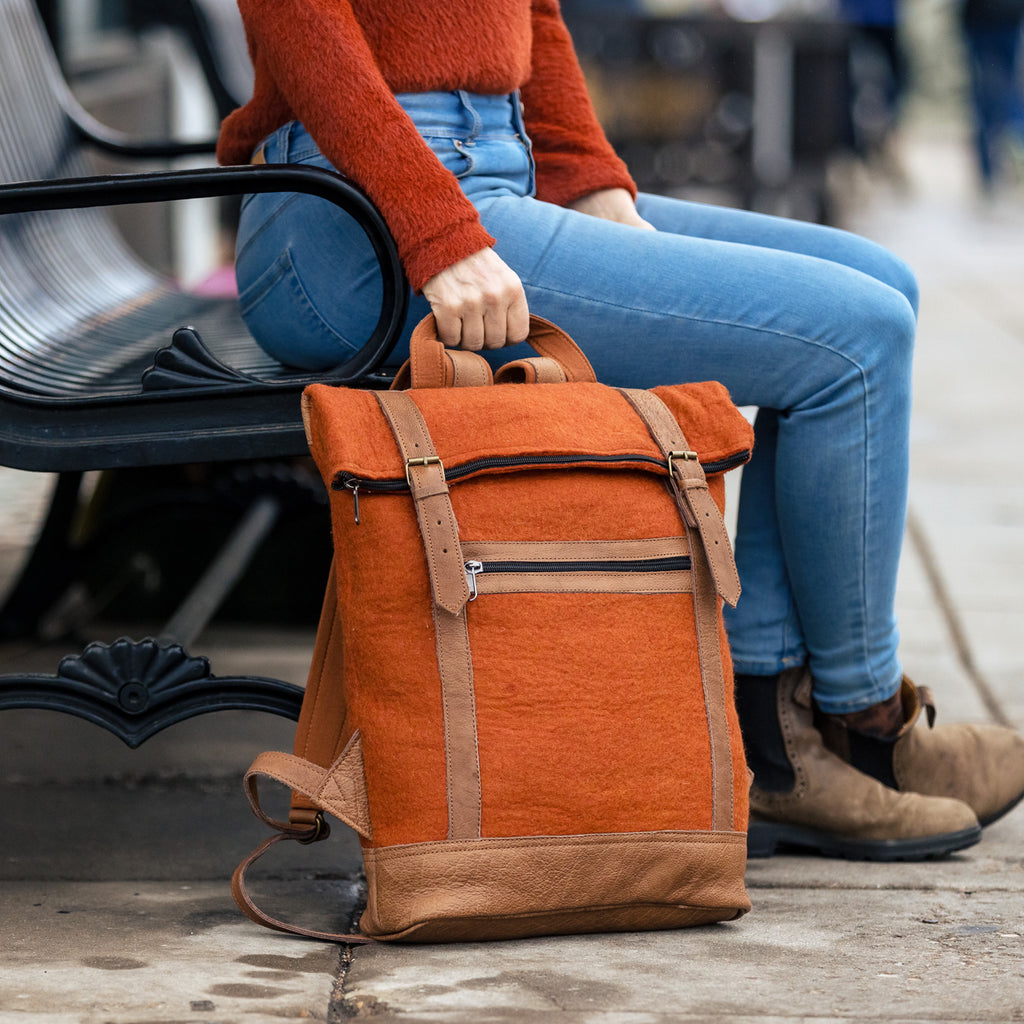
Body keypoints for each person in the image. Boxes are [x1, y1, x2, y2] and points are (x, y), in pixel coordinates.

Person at [218, 0, 1024, 859]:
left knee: (881, 280)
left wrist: (589, 177)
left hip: (497, 168)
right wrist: (436, 231)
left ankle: (781, 725)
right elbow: (301, 27)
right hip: (353, 215)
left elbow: (534, 14)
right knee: (856, 338)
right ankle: (860, 722)